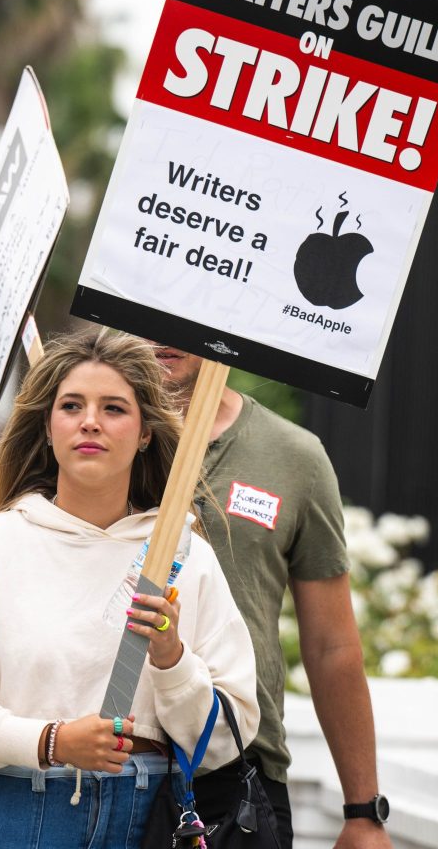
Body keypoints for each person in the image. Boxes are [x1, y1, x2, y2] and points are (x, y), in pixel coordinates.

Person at [0, 329, 258, 848]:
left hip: (151, 818)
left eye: (114, 408)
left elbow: (226, 738)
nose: (90, 421)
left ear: (144, 432)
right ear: (48, 428)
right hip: (20, 813)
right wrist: (50, 741)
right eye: (71, 405)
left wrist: (173, 659)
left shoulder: (184, 555)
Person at [153, 344, 390, 848]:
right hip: (108, 763)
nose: (164, 327)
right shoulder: (92, 440)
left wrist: (364, 812)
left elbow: (332, 645)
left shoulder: (294, 457)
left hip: (240, 769)